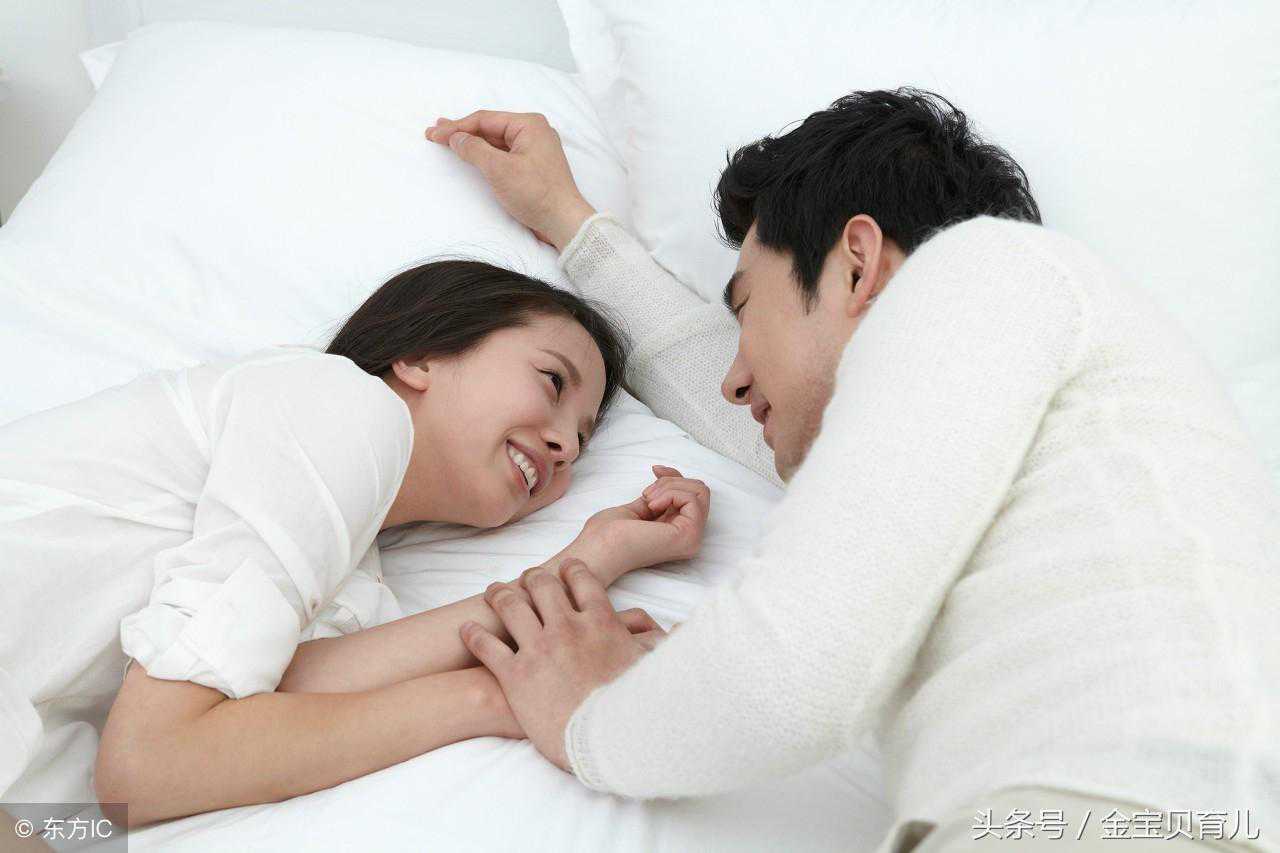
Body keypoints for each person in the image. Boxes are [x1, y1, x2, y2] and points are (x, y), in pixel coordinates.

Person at [426, 89, 1280, 852]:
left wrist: (586, 714)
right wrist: (567, 219)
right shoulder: (990, 421)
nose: (734, 377)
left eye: (746, 308)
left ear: (859, 263)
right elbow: (716, 383)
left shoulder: (984, 270)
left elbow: (791, 670)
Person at [0, 259, 712, 828]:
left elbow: (247, 719)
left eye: (583, 442)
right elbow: (150, 763)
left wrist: (587, 563)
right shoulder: (340, 406)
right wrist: (500, 699)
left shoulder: (353, 571)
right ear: (422, 355)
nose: (565, 447)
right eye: (552, 382)